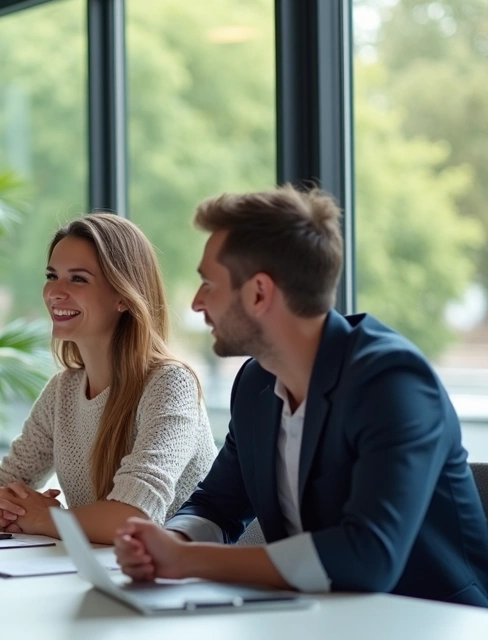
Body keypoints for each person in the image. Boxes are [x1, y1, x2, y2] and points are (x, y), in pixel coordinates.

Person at [113, 185, 488, 607]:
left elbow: (368, 555)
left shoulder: (392, 382)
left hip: (430, 621)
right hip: (312, 618)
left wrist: (188, 560)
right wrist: (167, 539)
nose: (198, 303)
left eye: (207, 283)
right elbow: (218, 504)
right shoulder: (256, 382)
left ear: (259, 293)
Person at [0, 214, 217, 543]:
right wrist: (18, 510)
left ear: (123, 297)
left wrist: (43, 517)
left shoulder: (170, 384)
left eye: (78, 279)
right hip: (126, 573)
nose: (55, 292)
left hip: (222, 583)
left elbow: (130, 519)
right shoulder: (63, 390)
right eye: (51, 275)